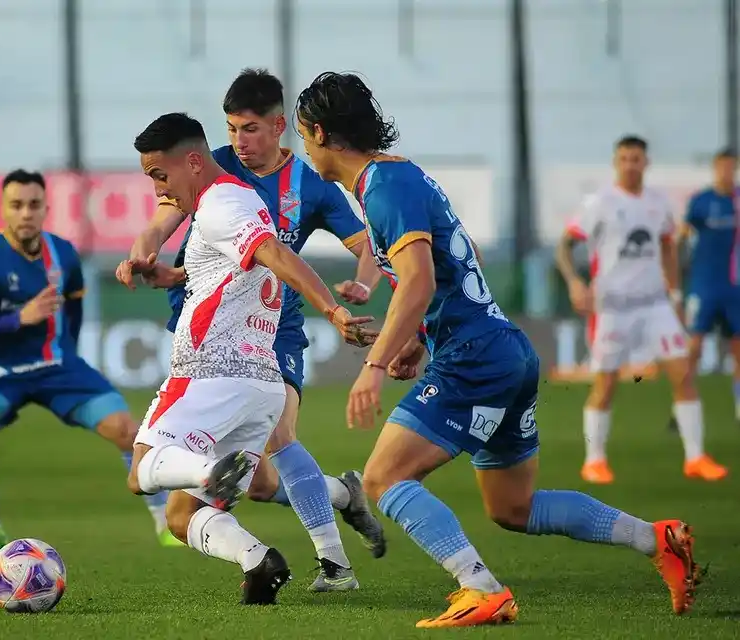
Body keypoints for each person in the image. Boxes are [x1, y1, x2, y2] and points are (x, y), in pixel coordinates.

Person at [295, 72, 703, 627]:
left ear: (319, 132)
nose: (303, 146)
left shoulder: (385, 187)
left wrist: (370, 367)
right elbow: (463, 268)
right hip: (502, 349)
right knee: (514, 508)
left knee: (383, 479)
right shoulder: (398, 177)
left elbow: (415, 284)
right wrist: (418, 338)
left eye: (301, 134)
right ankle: (658, 539)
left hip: (476, 357)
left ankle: (482, 588)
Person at [116, 69, 386, 591]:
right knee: (258, 482)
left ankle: (335, 563)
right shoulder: (208, 168)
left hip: (270, 335)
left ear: (280, 126)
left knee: (279, 439)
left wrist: (358, 287)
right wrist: (149, 256)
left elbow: (356, 247)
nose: (240, 140)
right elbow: (169, 222)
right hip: (209, 320)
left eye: (251, 129)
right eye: (233, 129)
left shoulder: (304, 184)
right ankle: (338, 497)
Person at [0, 169, 176, 551]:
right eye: (16, 205)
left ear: (45, 209)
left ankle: (168, 526)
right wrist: (19, 319)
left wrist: (65, 353)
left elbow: (73, 312)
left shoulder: (63, 255)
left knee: (128, 431)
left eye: (33, 205)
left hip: (59, 369)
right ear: (3, 210)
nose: (25, 213)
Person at [556, 136, 728, 484]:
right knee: (605, 383)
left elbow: (667, 247)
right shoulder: (600, 202)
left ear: (646, 163)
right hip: (613, 307)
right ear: (615, 163)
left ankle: (695, 457)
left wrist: (675, 295)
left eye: (636, 158)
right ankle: (595, 460)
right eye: (624, 158)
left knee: (683, 373)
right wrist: (575, 282)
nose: (630, 164)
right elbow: (565, 244)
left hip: (655, 305)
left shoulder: (658, 203)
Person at [669, 148, 740, 430]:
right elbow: (680, 238)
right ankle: (679, 408)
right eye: (721, 166)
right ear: (714, 168)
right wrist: (674, 272)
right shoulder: (701, 202)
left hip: (735, 287)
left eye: (731, 167)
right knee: (693, 348)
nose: (726, 171)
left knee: (738, 350)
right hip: (704, 286)